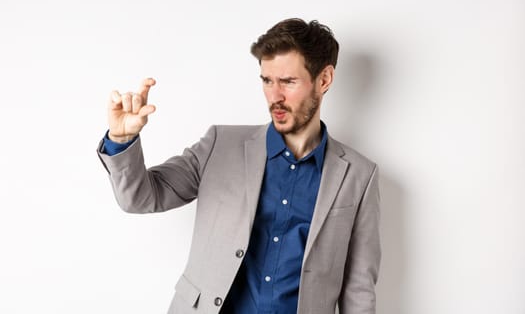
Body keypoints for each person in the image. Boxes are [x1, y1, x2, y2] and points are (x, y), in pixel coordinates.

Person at [97, 18, 381, 314]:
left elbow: (359, 289)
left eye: (288, 81)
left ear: (324, 80)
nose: (275, 96)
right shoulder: (220, 145)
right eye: (267, 80)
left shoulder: (359, 176)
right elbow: (140, 198)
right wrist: (122, 138)